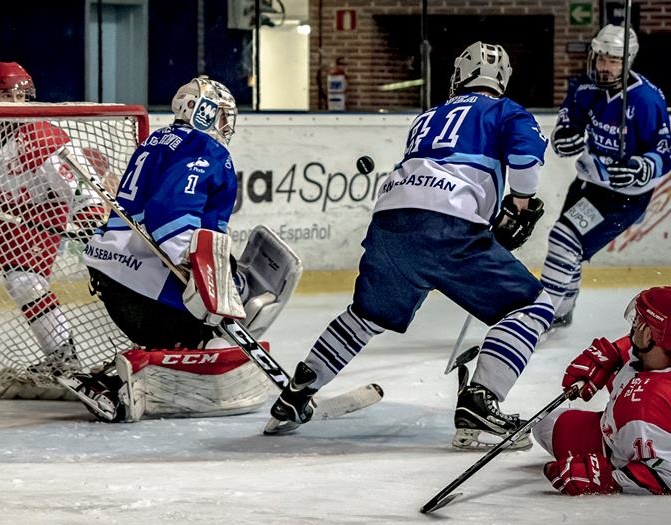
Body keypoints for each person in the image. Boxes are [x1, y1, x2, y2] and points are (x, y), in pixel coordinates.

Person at [265, 42, 554, 450]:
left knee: (365, 316)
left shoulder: (429, 116)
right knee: (533, 307)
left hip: (390, 224)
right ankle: (481, 402)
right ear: (502, 81)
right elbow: (525, 164)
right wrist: (520, 206)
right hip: (448, 229)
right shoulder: (507, 111)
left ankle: (296, 394)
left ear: (459, 76)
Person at [59, 76, 302, 422]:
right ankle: (155, 369)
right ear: (202, 112)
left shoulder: (157, 139)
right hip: (149, 294)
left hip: (115, 281)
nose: (224, 124)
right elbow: (168, 214)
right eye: (220, 114)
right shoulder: (206, 150)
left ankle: (125, 371)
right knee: (233, 318)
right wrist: (203, 277)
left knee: (225, 281)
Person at [0, 61, 106, 376]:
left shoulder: (42, 136)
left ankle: (62, 356)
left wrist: (91, 221)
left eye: (22, 97)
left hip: (40, 209)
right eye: (8, 97)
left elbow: (80, 184)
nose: (17, 104)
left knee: (25, 282)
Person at [541, 25, 671, 333]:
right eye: (599, 57)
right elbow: (567, 123)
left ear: (627, 61)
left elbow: (665, 148)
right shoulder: (584, 88)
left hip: (622, 197)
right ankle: (561, 309)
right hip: (587, 184)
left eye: (612, 59)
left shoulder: (648, 99)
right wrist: (564, 138)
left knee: (564, 240)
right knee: (566, 245)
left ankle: (544, 313)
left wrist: (645, 165)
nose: (603, 66)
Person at [534, 286, 671, 495]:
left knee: (546, 426)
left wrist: (608, 478)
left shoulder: (645, 411)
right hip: (628, 425)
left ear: (647, 335)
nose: (632, 327)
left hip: (633, 436)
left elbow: (665, 474)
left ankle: (617, 458)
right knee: (547, 423)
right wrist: (614, 353)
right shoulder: (656, 356)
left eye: (638, 321)